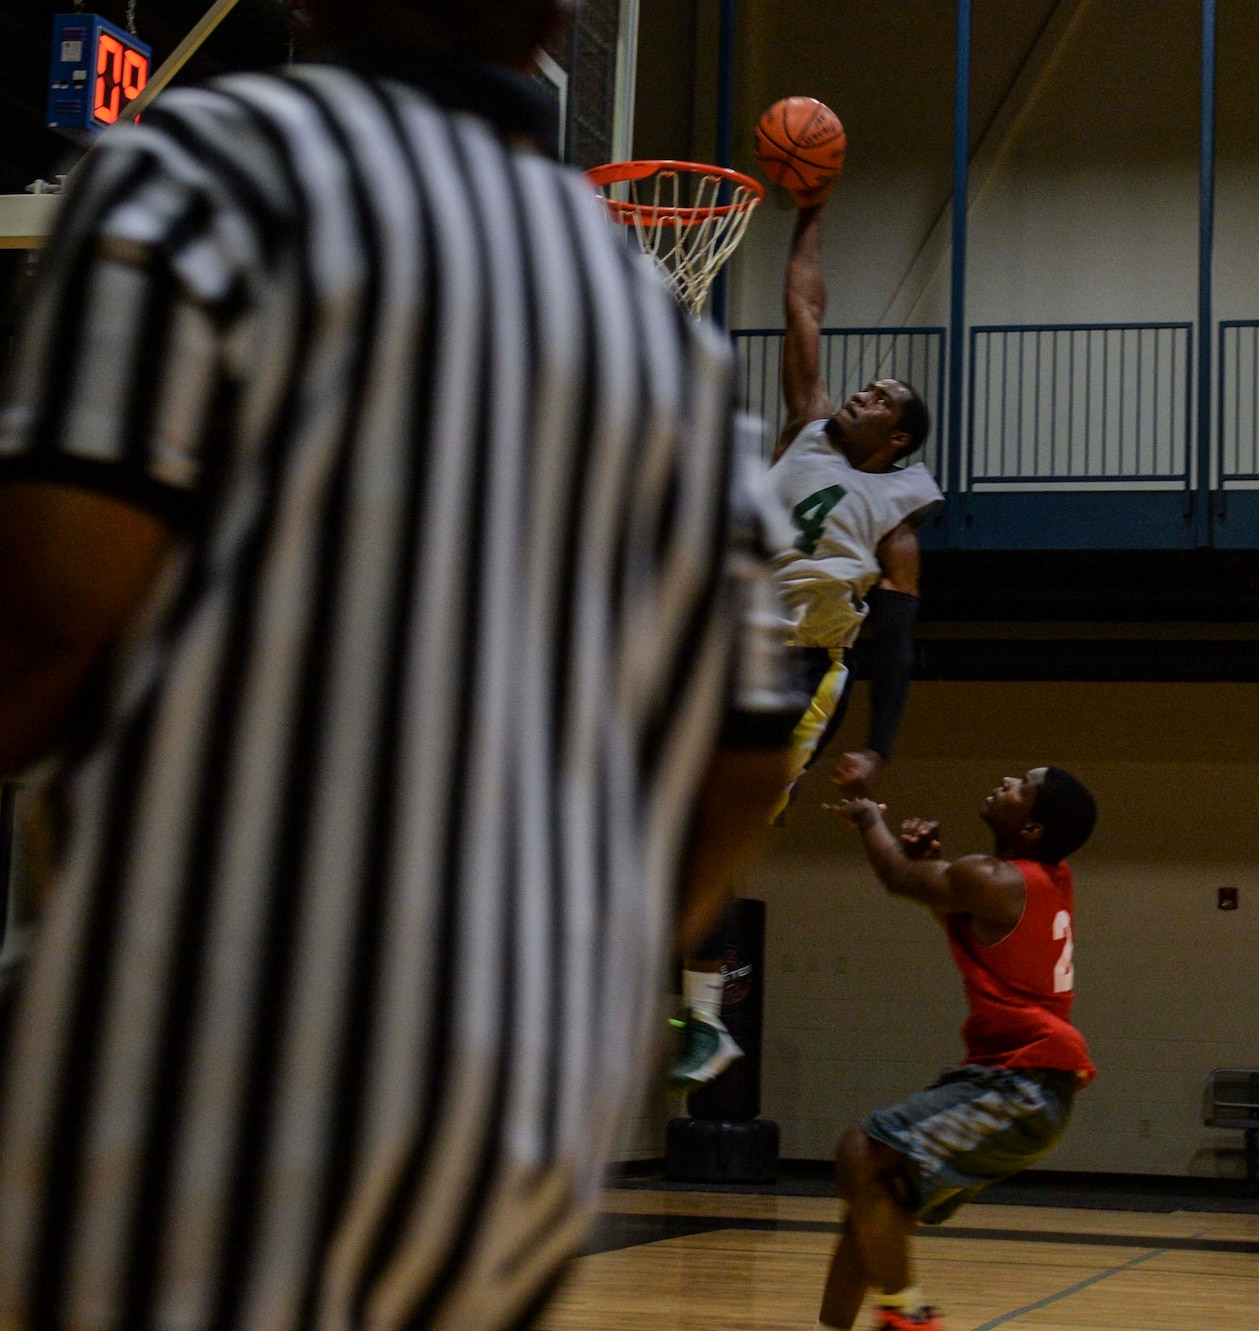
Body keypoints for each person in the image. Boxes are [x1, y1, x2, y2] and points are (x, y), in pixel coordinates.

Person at [0, 0, 797, 1322]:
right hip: (518, 1119)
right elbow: (741, 756)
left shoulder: (211, 165)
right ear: (553, 20)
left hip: (196, 1067)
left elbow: (50, 616)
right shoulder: (661, 335)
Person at [673, 187, 945, 1087]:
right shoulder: (806, 428)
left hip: (800, 675)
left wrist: (879, 746)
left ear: (897, 437)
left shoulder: (897, 517)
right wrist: (813, 211)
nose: (860, 392)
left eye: (879, 399)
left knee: (714, 829)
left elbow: (897, 642)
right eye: (864, 385)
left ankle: (705, 1020)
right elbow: (804, 305)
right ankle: (690, 1005)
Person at [816, 767, 1098, 1331]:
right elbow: (949, 904)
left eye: (1023, 785)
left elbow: (897, 877)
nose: (1006, 779)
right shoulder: (1040, 877)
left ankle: (910, 1316)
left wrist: (871, 817)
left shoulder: (992, 879)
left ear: (1034, 826)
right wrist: (930, 872)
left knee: (861, 1152)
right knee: (875, 1211)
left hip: (1022, 1082)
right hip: (1018, 1084)